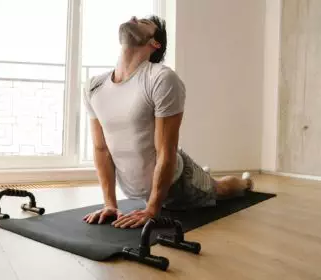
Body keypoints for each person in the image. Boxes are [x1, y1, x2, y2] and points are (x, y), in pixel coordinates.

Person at [82, 15, 254, 229]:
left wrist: (152, 210)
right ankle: (205, 173)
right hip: (141, 188)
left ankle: (246, 183)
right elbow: (101, 149)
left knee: (219, 189)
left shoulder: (161, 78)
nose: (134, 17)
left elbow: (166, 150)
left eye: (144, 22)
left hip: (177, 183)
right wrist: (110, 204)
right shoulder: (94, 87)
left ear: (154, 43)